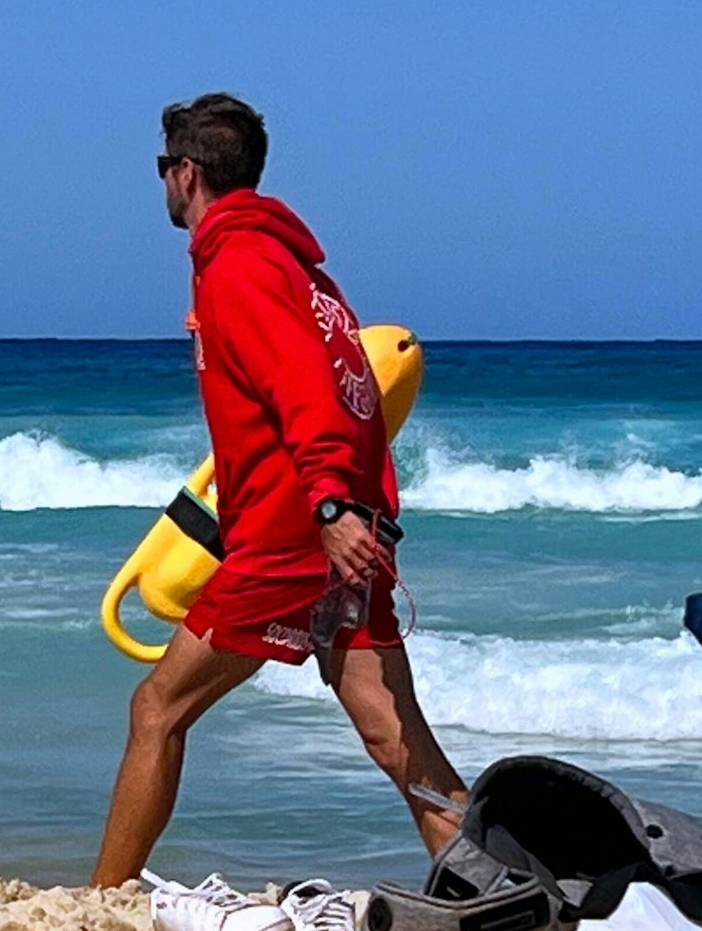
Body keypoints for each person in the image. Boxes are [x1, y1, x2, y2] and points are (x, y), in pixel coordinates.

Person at [89, 93, 467, 888]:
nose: (161, 182)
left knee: (157, 708)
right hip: (340, 532)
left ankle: (101, 904)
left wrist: (328, 507)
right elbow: (363, 396)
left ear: (187, 172)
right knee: (391, 730)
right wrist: (366, 515)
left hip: (295, 534)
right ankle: (493, 884)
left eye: (163, 168)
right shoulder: (301, 271)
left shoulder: (241, 267)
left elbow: (309, 394)